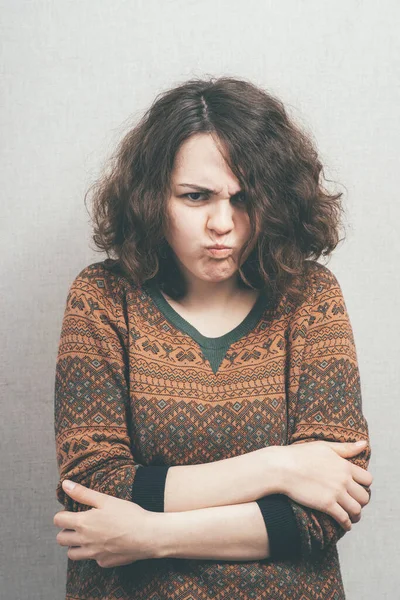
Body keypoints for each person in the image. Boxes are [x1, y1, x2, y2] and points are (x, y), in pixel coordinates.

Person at [53, 76, 372, 600]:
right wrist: (278, 466)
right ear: (153, 198)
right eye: (196, 196)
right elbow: (93, 491)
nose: (222, 223)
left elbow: (325, 512)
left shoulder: (310, 298)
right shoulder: (102, 299)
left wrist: (150, 535)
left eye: (244, 199)